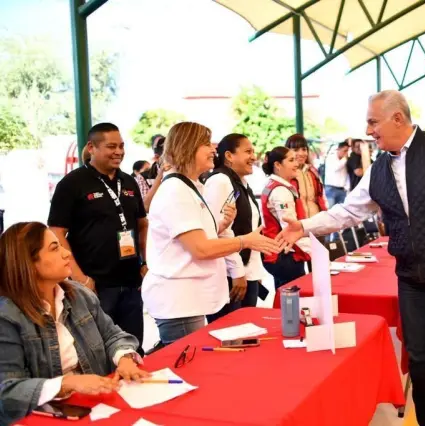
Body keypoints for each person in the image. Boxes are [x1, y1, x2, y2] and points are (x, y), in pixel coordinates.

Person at [277, 90, 425, 426]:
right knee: (419, 360)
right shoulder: (378, 169)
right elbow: (349, 211)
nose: (369, 129)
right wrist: (303, 226)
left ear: (398, 118)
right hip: (411, 278)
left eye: (373, 121)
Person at [142, 122, 281, 345]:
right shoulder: (175, 190)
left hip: (192, 299)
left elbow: (194, 235)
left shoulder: (191, 186)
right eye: (206, 144)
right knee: (189, 367)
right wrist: (244, 241)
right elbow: (200, 248)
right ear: (187, 147)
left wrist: (221, 224)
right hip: (180, 301)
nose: (212, 150)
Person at [0, 222, 149, 424]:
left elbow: (112, 335)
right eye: (55, 248)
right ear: (28, 264)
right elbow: (7, 391)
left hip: (96, 407)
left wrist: (124, 358)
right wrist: (68, 383)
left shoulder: (77, 294)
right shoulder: (6, 317)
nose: (66, 254)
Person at [48, 123, 148, 354]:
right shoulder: (72, 183)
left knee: (133, 348)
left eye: (121, 146)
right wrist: (80, 278)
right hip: (95, 285)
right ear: (91, 147)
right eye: (111, 146)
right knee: (98, 352)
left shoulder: (129, 182)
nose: (119, 152)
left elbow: (142, 224)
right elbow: (56, 232)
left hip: (131, 282)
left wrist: (144, 262)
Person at [204, 133, 265, 320]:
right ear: (229, 156)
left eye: (253, 151)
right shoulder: (220, 181)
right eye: (248, 151)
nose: (253, 157)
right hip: (230, 274)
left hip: (246, 272)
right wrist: (237, 271)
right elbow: (220, 232)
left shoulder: (241, 182)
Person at [261, 147, 311, 290]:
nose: (296, 164)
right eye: (291, 160)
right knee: (293, 301)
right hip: (286, 254)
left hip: (277, 252)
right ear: (277, 165)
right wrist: (313, 252)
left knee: (283, 297)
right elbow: (290, 227)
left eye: (295, 160)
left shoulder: (272, 185)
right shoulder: (281, 191)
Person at [285, 134, 327, 218]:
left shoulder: (313, 172)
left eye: (304, 149)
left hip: (316, 223)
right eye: (296, 150)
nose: (301, 153)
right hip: (297, 225)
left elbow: (322, 197)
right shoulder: (284, 175)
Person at [324, 141, 350, 206]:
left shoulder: (345, 161)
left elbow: (346, 175)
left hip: (342, 190)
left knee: (341, 212)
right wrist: (345, 159)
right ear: (338, 149)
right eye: (345, 151)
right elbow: (336, 168)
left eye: (347, 151)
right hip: (331, 189)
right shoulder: (331, 157)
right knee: (330, 212)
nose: (346, 153)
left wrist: (347, 187)